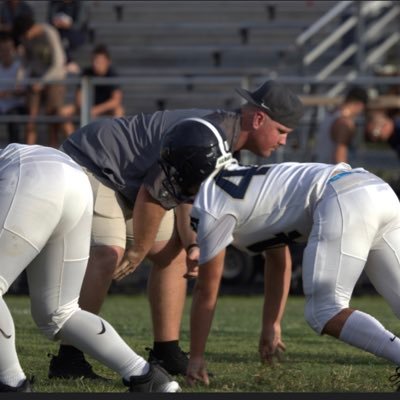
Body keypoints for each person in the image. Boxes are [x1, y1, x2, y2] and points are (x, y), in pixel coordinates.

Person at [47, 80, 304, 380]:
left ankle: (166, 351)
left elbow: (182, 194)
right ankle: (69, 358)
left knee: (175, 252)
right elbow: (154, 192)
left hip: (126, 180)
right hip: (93, 162)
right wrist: (139, 247)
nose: (283, 142)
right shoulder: (213, 133)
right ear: (259, 119)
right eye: (282, 132)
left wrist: (193, 243)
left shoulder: (224, 138)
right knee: (109, 252)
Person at [157, 117, 400, 389]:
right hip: (375, 188)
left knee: (324, 310)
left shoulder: (212, 203)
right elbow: (277, 258)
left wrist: (197, 357)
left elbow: (206, 291)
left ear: (190, 165)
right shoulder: (245, 181)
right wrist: (271, 323)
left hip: (344, 198)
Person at [0, 143, 180, 393]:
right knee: (60, 313)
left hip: (33, 175)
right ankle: (146, 376)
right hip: (73, 180)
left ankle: (10, 383)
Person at [12, 13, 66, 147]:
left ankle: (53, 150)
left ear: (31, 28)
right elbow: (25, 62)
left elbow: (59, 63)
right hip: (35, 79)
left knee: (52, 118)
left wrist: (43, 82)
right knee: (31, 118)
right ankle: (27, 151)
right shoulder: (25, 39)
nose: (24, 38)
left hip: (54, 79)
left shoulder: (49, 33)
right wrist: (20, 80)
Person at [58, 43, 124, 138]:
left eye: (99, 62)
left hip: (104, 108)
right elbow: (79, 97)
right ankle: (73, 141)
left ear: (107, 62)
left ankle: (114, 140)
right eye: (94, 61)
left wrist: (96, 110)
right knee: (63, 112)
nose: (96, 64)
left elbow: (115, 101)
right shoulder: (86, 73)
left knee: (119, 111)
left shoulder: (112, 75)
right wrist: (86, 109)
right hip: (87, 107)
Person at [314, 86, 368, 164]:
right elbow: (339, 157)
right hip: (331, 171)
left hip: (321, 166)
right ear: (360, 105)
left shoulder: (331, 114)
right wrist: (347, 174)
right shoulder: (344, 123)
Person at [0, 31, 26, 143]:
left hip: (15, 105)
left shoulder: (19, 68)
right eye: (2, 50)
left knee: (14, 118)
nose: (5, 53)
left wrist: (8, 93)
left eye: (8, 50)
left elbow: (22, 89)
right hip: (2, 104)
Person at [47, 0, 89, 68]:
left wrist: (70, 25)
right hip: (59, 31)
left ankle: (67, 61)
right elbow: (49, 21)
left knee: (64, 39)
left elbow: (80, 24)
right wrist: (55, 23)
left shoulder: (80, 4)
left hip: (76, 33)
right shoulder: (54, 3)